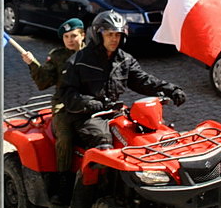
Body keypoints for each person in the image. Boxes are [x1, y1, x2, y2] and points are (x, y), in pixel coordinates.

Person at [59, 11, 187, 150]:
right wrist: (88, 102)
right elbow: (66, 92)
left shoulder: (125, 60)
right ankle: (92, 172)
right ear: (98, 35)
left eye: (118, 35)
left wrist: (171, 89)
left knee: (154, 131)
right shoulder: (78, 61)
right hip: (86, 115)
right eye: (109, 34)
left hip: (115, 111)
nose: (114, 39)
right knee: (103, 140)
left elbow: (143, 80)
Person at [22, 18, 86, 173]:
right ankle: (63, 181)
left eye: (73, 36)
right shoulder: (57, 56)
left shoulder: (93, 53)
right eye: (66, 37)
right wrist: (32, 63)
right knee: (65, 138)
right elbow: (44, 81)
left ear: (83, 35)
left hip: (90, 102)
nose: (70, 40)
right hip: (64, 105)